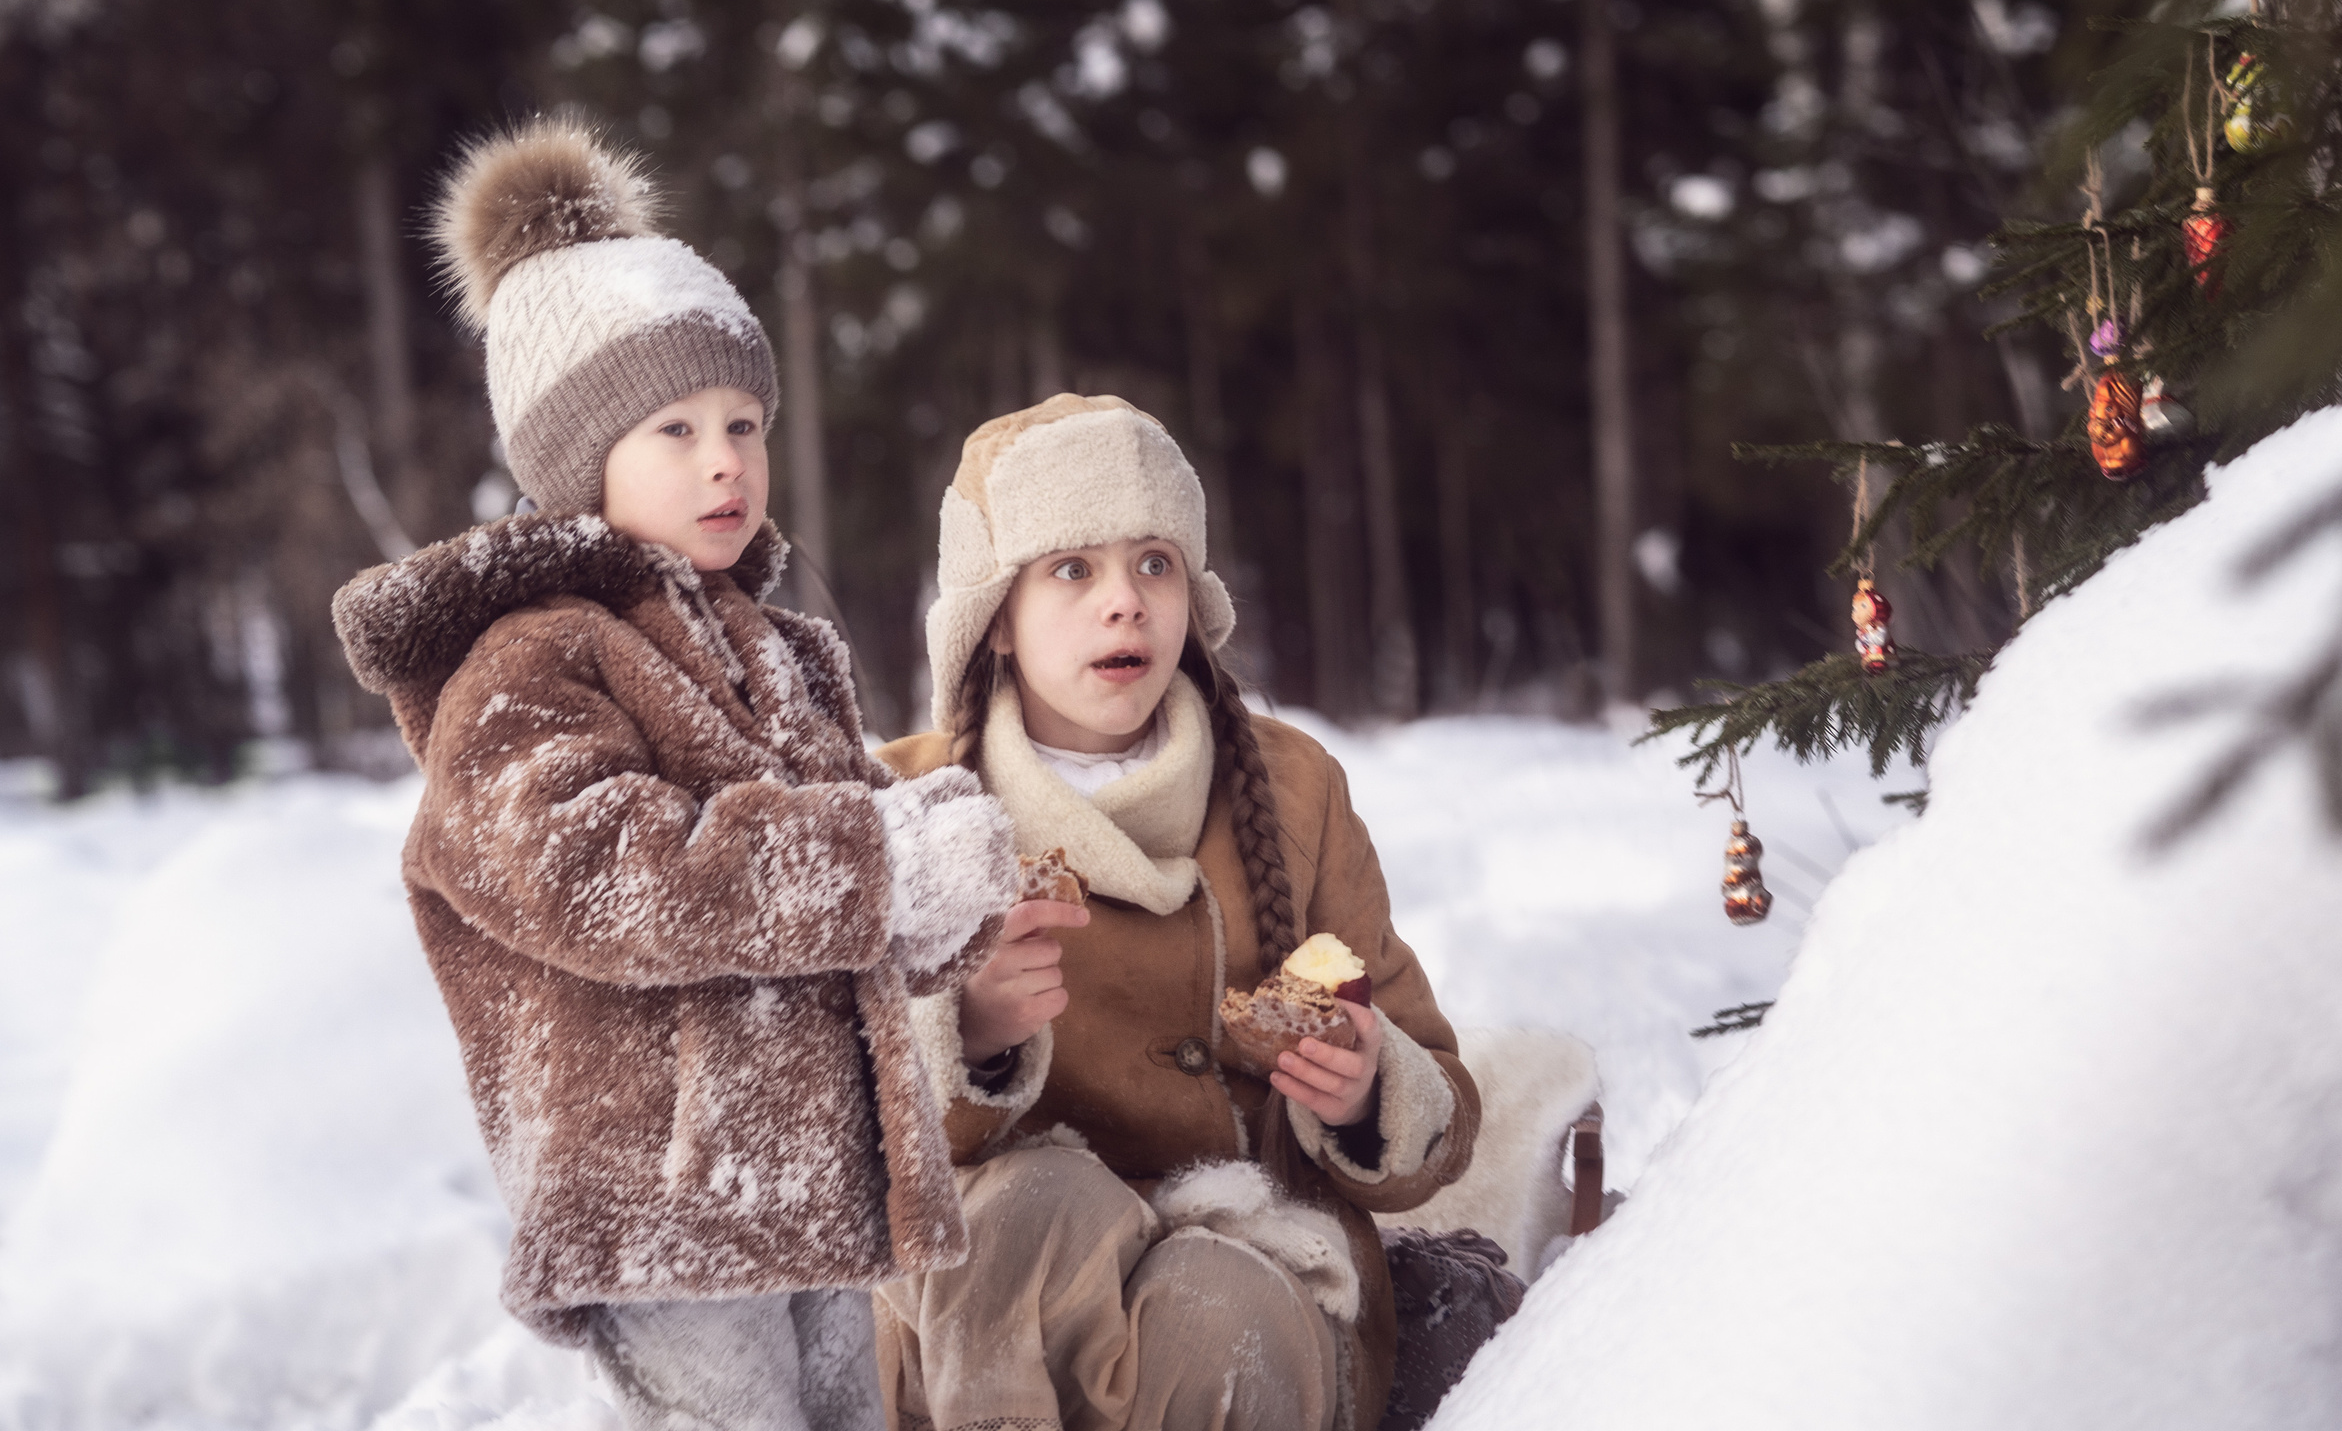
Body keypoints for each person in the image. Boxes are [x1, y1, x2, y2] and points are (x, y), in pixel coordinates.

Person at [330, 119, 1017, 1431]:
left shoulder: (787, 652)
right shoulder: (526, 661)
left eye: (745, 422)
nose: (726, 461)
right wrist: (876, 863)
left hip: (813, 1177)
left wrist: (938, 900)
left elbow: (832, 919)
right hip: (659, 1188)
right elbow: (602, 872)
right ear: (579, 460)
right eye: (675, 428)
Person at [872, 393, 1483, 1431]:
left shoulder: (1292, 791)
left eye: (1154, 562)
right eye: (1073, 568)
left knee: (1215, 1314)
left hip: (1255, 1246)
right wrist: (963, 1036)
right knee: (1022, 1218)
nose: (1127, 602)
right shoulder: (904, 805)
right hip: (987, 1277)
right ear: (997, 622)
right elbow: (828, 1129)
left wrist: (1364, 1091)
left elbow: (1443, 1110)